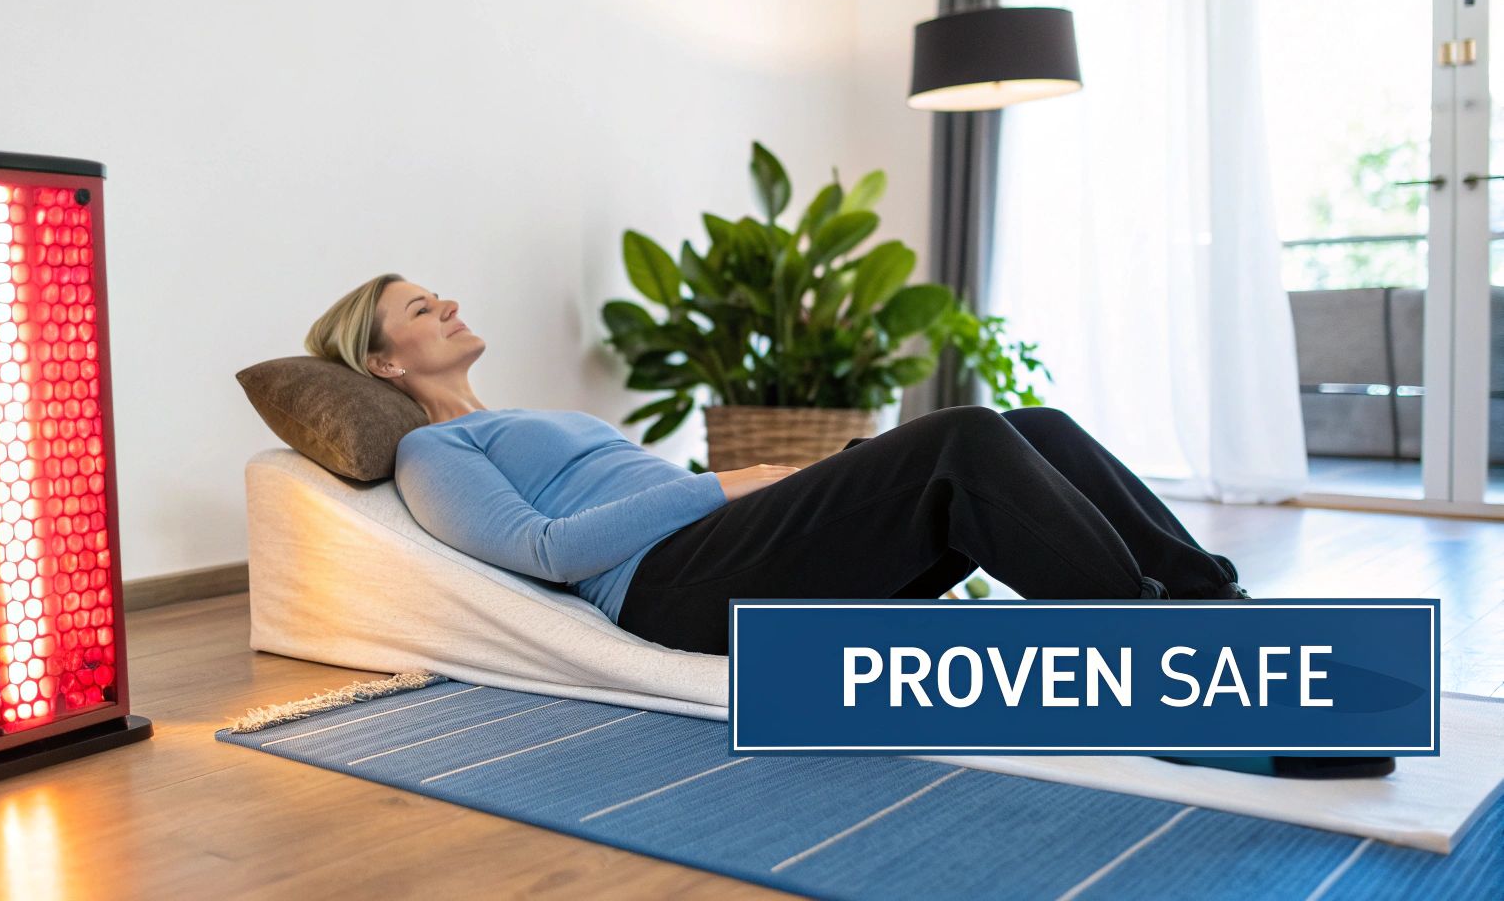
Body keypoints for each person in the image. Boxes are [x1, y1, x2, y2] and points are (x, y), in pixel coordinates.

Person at [304, 273, 1250, 657]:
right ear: (383, 364)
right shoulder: (433, 448)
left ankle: (1216, 608)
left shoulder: (522, 416)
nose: (447, 305)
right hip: (673, 586)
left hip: (729, 542)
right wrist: (730, 483)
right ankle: (1151, 649)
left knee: (1032, 425)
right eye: (421, 309)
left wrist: (749, 494)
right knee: (960, 435)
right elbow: (545, 551)